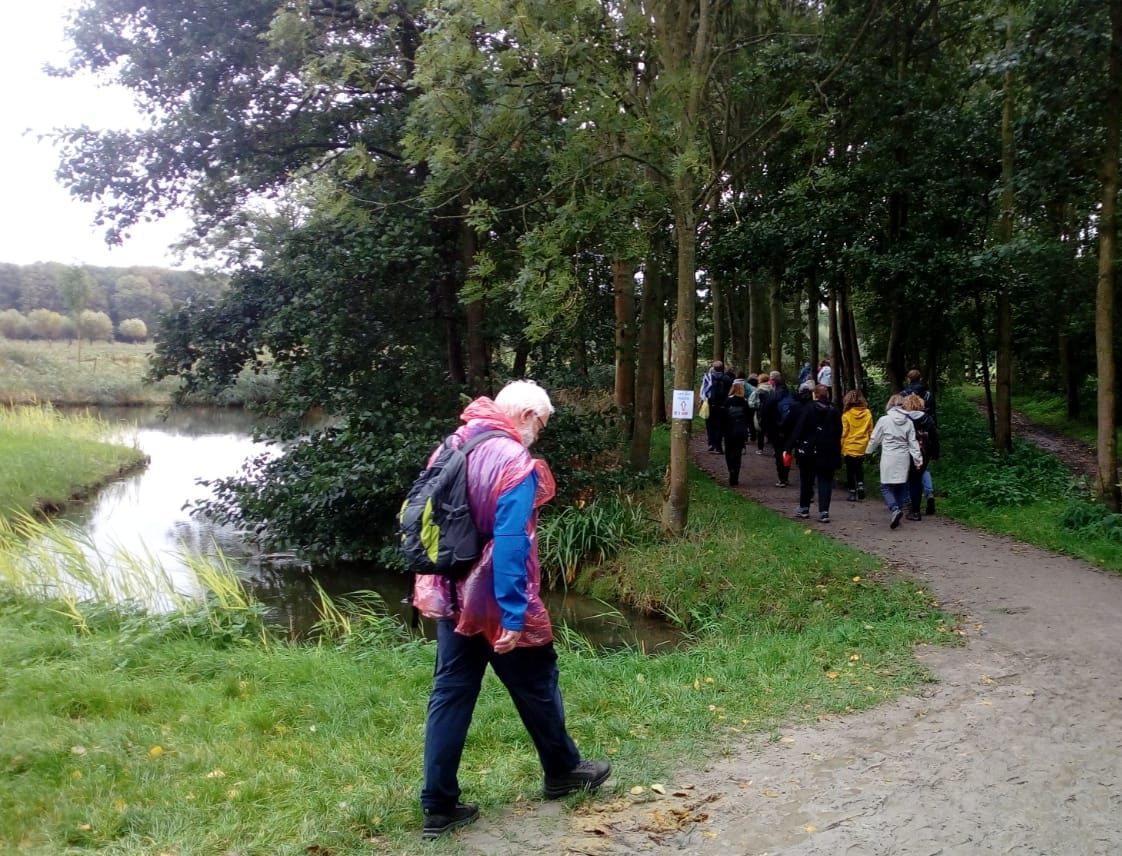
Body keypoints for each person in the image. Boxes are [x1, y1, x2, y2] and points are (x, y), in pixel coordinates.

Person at [413, 381, 611, 839]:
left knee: (451, 693)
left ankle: (438, 806)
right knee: (537, 681)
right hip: (495, 599)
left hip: (452, 592)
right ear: (524, 415)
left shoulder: (453, 444)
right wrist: (514, 615)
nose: (538, 436)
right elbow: (510, 544)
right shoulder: (515, 462)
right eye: (540, 425)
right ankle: (563, 771)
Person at [786, 383, 843, 522]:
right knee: (825, 481)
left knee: (806, 479)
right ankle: (824, 511)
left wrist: (789, 447)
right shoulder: (834, 411)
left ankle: (804, 507)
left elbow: (799, 428)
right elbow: (839, 431)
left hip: (809, 450)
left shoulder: (808, 409)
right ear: (827, 395)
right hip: (828, 450)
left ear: (815, 394)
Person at [865, 393, 922, 529]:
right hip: (903, 457)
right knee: (901, 485)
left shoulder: (884, 420)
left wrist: (868, 451)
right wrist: (917, 459)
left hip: (888, 456)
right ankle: (898, 510)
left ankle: (894, 508)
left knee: (885, 486)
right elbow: (913, 442)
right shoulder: (908, 422)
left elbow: (875, 438)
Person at [901, 369, 937, 514]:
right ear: (920, 379)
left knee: (909, 471)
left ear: (908, 379)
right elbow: (933, 413)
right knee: (924, 469)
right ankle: (929, 494)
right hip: (925, 436)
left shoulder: (903, 394)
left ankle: (910, 501)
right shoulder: (928, 394)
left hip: (909, 439)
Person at [759, 370, 793, 486]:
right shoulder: (789, 394)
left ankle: (782, 477)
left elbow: (765, 412)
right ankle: (786, 474)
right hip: (788, 428)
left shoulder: (772, 396)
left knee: (779, 453)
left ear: (772, 382)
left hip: (776, 428)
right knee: (787, 451)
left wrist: (765, 427)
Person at [841, 389, 874, 501]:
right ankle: (860, 485)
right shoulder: (867, 413)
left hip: (849, 445)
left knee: (850, 470)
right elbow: (870, 430)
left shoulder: (846, 415)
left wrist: (840, 445)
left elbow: (844, 432)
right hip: (862, 445)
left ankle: (852, 492)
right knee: (859, 467)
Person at [723, 378, 753, 486]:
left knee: (728, 452)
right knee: (737, 454)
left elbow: (723, 417)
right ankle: (735, 475)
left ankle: (731, 469)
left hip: (728, 431)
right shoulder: (744, 402)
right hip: (740, 431)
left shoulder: (727, 401)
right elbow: (749, 419)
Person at [700, 360, 731, 454]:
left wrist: (702, 401)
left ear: (713, 368)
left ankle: (711, 444)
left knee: (710, 425)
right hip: (723, 406)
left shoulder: (709, 378)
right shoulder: (727, 378)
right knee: (720, 426)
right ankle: (718, 446)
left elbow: (703, 392)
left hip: (710, 405)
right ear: (723, 368)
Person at [749, 372, 771, 453]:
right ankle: (773, 446)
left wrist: (755, 407)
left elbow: (751, 402)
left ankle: (760, 449)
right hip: (771, 411)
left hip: (760, 411)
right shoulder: (772, 389)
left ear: (760, 380)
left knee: (760, 430)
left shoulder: (757, 390)